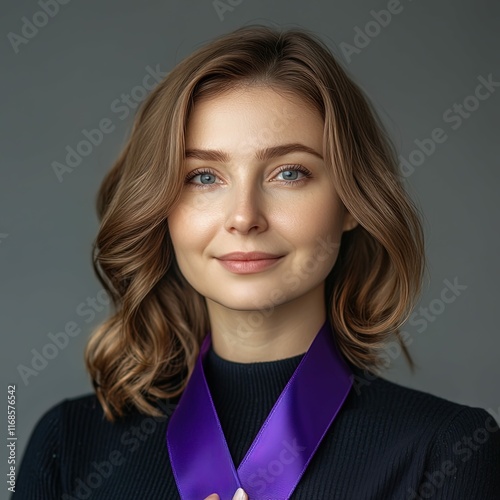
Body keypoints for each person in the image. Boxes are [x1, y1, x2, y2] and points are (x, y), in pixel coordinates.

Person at [14, 24, 500, 500]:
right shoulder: (68, 447)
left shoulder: (447, 452)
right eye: (203, 176)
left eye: (289, 173)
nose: (244, 217)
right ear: (162, 206)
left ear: (351, 203)